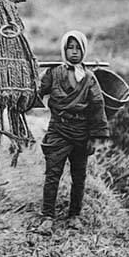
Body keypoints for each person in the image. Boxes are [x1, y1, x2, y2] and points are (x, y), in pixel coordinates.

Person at [36, 30, 109, 235]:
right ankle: (47, 217)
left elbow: (97, 106)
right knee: (52, 175)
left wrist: (95, 137)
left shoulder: (89, 78)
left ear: (84, 50)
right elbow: (36, 92)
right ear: (64, 50)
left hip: (81, 132)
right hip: (58, 130)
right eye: (70, 47)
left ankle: (74, 215)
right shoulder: (53, 73)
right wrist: (31, 79)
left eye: (78, 48)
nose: (74, 52)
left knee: (79, 176)